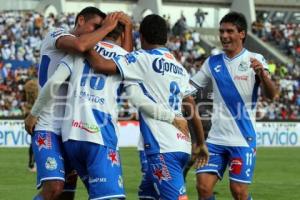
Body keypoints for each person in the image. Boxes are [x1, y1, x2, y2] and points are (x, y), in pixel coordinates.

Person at [26, 18, 189, 199]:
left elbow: (54, 82)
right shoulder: (125, 59)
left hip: (69, 137)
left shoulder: (81, 51)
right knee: (108, 196)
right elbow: (136, 98)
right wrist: (171, 117)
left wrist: (34, 113)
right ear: (120, 35)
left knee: (62, 193)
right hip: (99, 136)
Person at [84, 14, 209, 200]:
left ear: (141, 37)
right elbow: (191, 106)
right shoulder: (179, 67)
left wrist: (83, 45)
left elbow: (100, 64)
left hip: (162, 147)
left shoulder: (141, 58)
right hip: (182, 144)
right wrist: (200, 143)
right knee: (147, 195)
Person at [24, 7, 122, 200]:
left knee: (67, 195)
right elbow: (79, 45)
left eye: (100, 29)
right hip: (47, 124)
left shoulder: (87, 51)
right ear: (81, 20)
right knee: (54, 188)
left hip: (71, 130)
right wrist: (34, 113)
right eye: (94, 26)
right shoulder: (60, 35)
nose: (96, 32)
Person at [190, 12, 277, 200]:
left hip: (243, 139)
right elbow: (189, 88)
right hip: (215, 139)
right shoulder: (212, 62)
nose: (224, 36)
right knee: (203, 187)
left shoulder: (256, 59)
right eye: (221, 31)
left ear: (242, 34)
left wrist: (262, 75)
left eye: (229, 31)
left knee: (238, 192)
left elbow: (272, 95)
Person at [23, 79, 39, 172]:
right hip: (35, 117)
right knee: (35, 142)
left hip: (30, 115)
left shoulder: (28, 103)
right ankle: (33, 164)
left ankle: (32, 164)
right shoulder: (36, 100)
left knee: (34, 142)